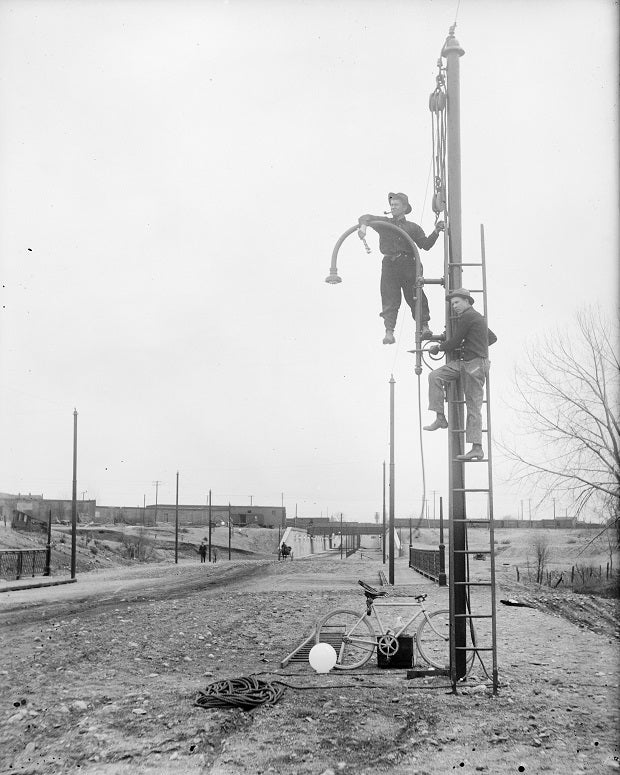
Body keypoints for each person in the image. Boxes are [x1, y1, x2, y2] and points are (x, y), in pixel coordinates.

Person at [358, 192, 444, 344]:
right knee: (389, 297)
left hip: (408, 265)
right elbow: (365, 217)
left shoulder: (413, 228)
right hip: (389, 266)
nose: (393, 207)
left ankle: (424, 326)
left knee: (415, 295)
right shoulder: (384, 224)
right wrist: (363, 228)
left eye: (396, 205)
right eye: (392, 205)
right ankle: (389, 331)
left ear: (404, 208)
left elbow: (426, 245)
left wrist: (436, 232)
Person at [423, 288, 497, 461]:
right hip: (465, 363)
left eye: (457, 302)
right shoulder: (477, 318)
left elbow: (454, 341)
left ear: (467, 301)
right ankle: (440, 418)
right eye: (452, 303)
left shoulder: (469, 316)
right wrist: (473, 344)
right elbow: (492, 338)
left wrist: (438, 347)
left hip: (476, 365)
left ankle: (476, 448)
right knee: (435, 376)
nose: (454, 306)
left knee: (473, 406)